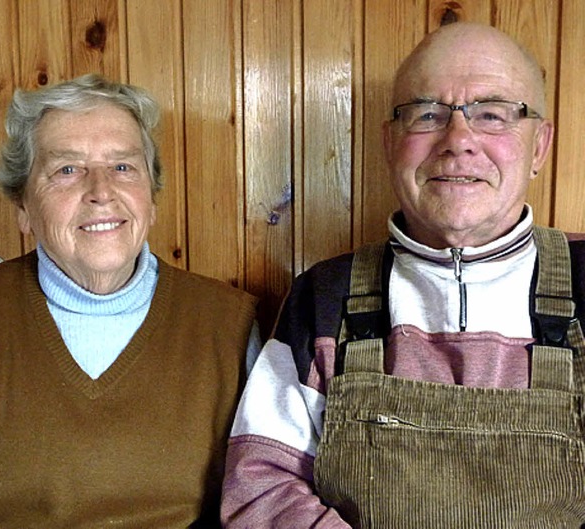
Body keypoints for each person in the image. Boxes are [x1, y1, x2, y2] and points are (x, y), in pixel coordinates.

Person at [221, 21, 585, 528]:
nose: (458, 141)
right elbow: (260, 487)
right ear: (391, 142)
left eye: (493, 114)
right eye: (428, 114)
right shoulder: (325, 297)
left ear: (539, 146)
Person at [0, 74, 259, 528]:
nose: (101, 191)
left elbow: (255, 504)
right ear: (23, 207)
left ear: (151, 197)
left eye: (123, 167)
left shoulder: (227, 323)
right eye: (67, 170)